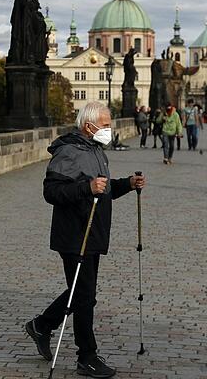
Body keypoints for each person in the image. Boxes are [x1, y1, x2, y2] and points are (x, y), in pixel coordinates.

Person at [25, 102, 146, 378]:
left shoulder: (95, 150)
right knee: (84, 296)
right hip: (74, 234)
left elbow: (102, 191)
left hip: (93, 232)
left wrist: (127, 184)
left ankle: (42, 325)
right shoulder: (68, 151)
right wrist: (86, 188)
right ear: (88, 125)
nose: (108, 129)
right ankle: (86, 356)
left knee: (82, 292)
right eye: (104, 125)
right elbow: (52, 191)